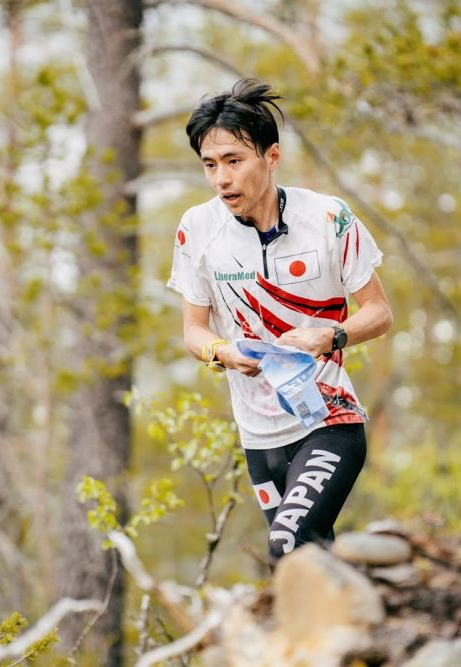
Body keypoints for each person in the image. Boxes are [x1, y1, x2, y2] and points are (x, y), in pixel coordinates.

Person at [167, 79, 393, 561]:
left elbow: (379, 312)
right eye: (210, 164)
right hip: (258, 435)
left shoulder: (329, 218)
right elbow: (193, 330)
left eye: (234, 161)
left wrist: (329, 336)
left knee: (287, 544)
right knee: (303, 563)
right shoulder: (196, 228)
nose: (221, 179)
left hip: (329, 419)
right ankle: (356, 608)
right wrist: (223, 353)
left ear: (272, 157)